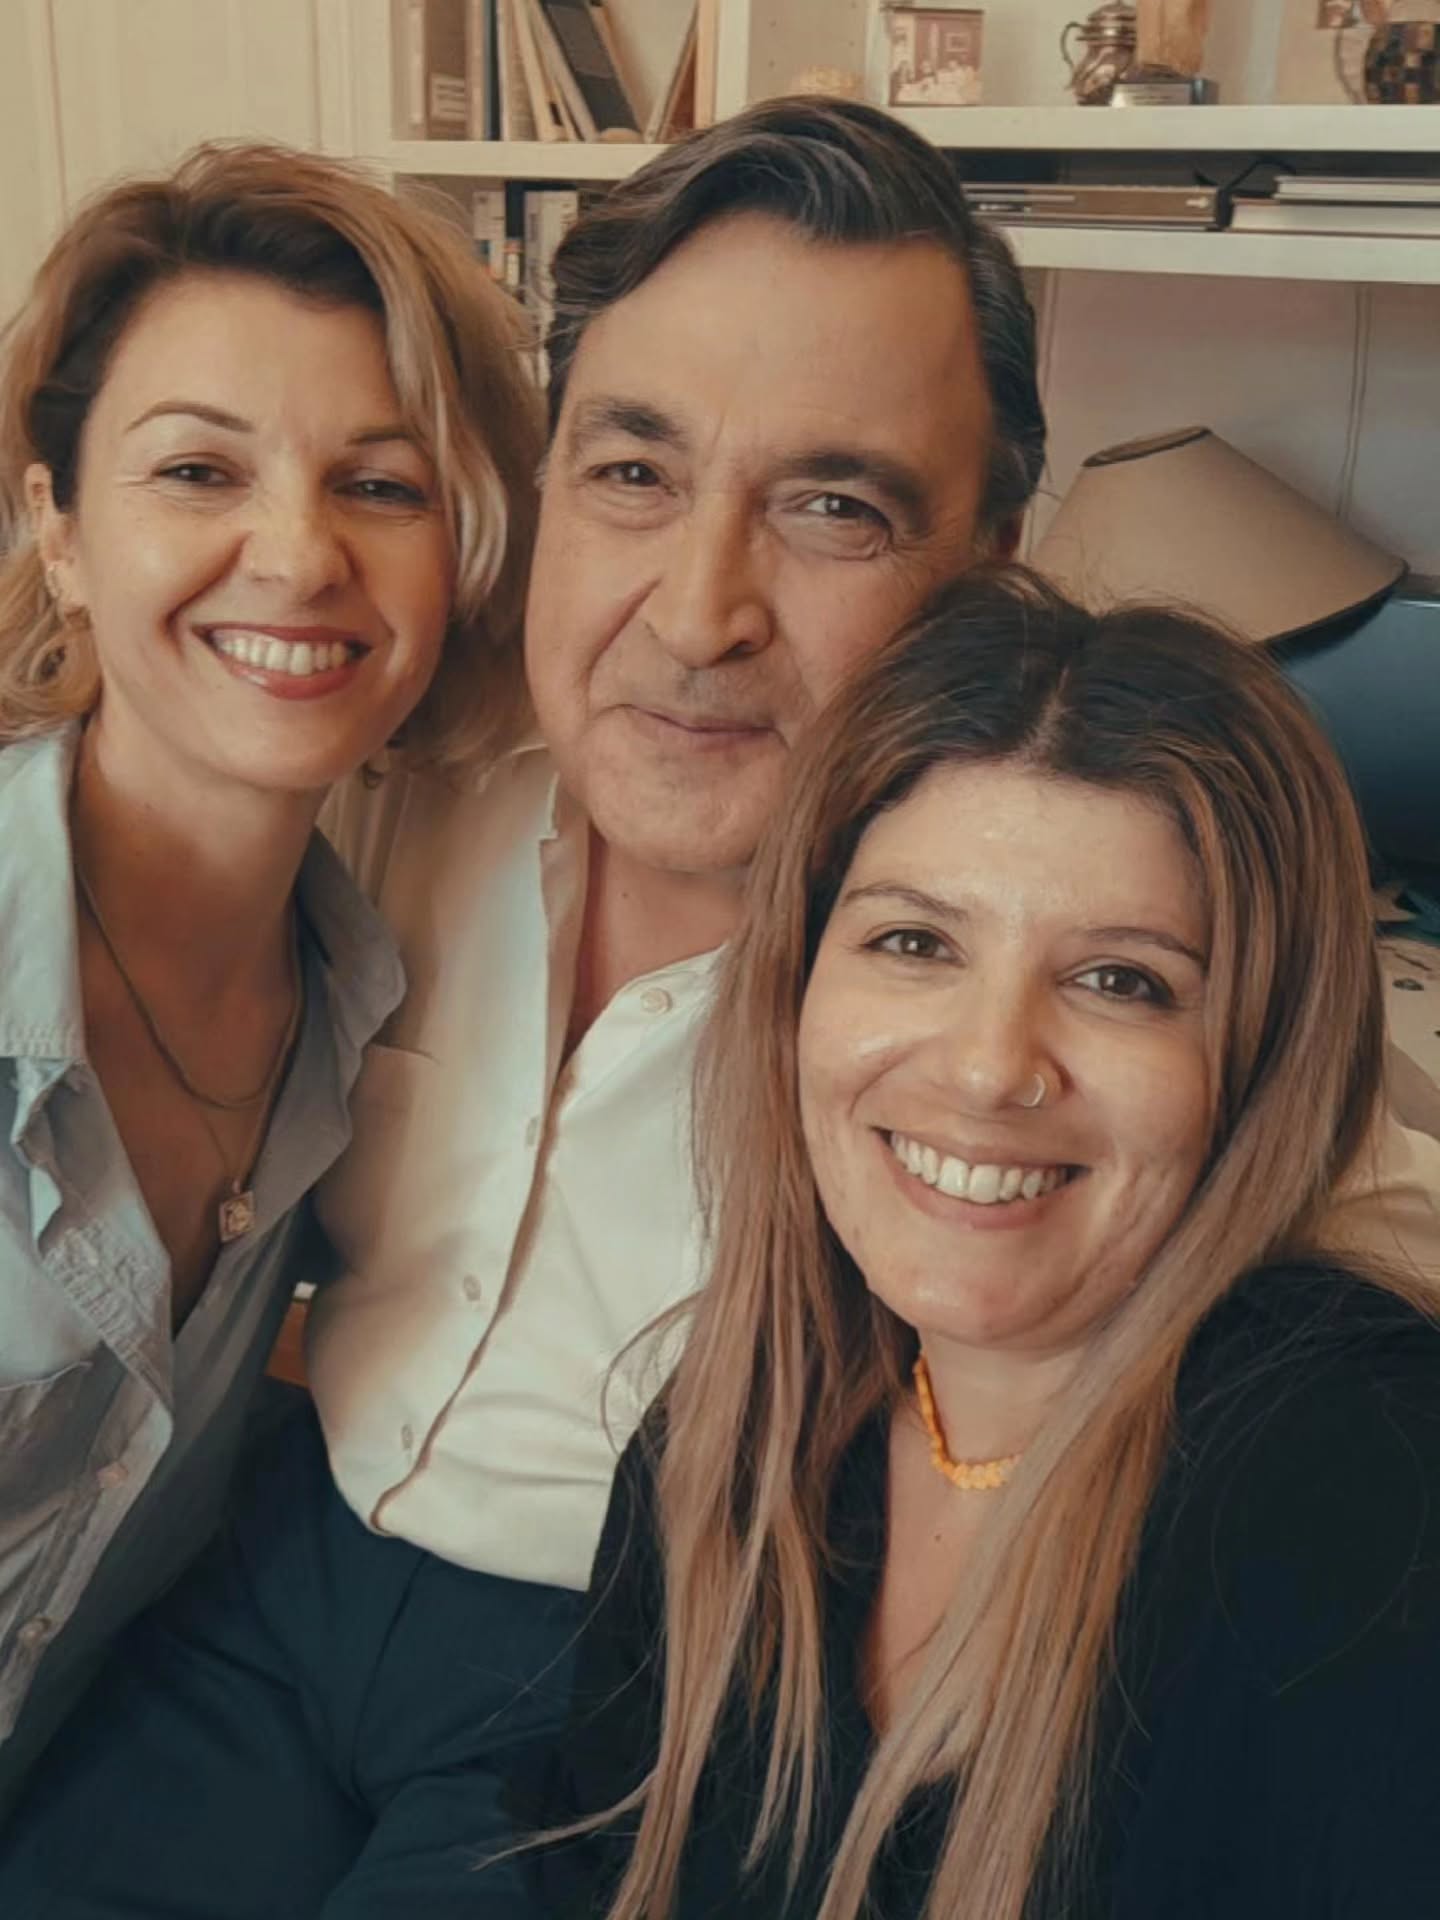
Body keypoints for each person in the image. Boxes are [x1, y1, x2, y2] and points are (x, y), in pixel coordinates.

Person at [3, 95, 1436, 1916]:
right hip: (282, 1560)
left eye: (835, 507)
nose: (699, 613)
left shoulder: (966, 975)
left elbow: (1322, 1180)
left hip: (610, 1655)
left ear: (990, 558)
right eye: (634, 472)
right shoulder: (384, 783)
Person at [530, 569, 1440, 1920]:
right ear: (795, 987)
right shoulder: (724, 1437)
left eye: (1121, 981)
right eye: (914, 942)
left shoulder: (1369, 1489)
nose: (989, 1066)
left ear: (1259, 1064)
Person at [0, 138, 539, 1814]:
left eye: (381, 486)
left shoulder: (358, 1005)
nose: (299, 556)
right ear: (59, 528)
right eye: (198, 471)